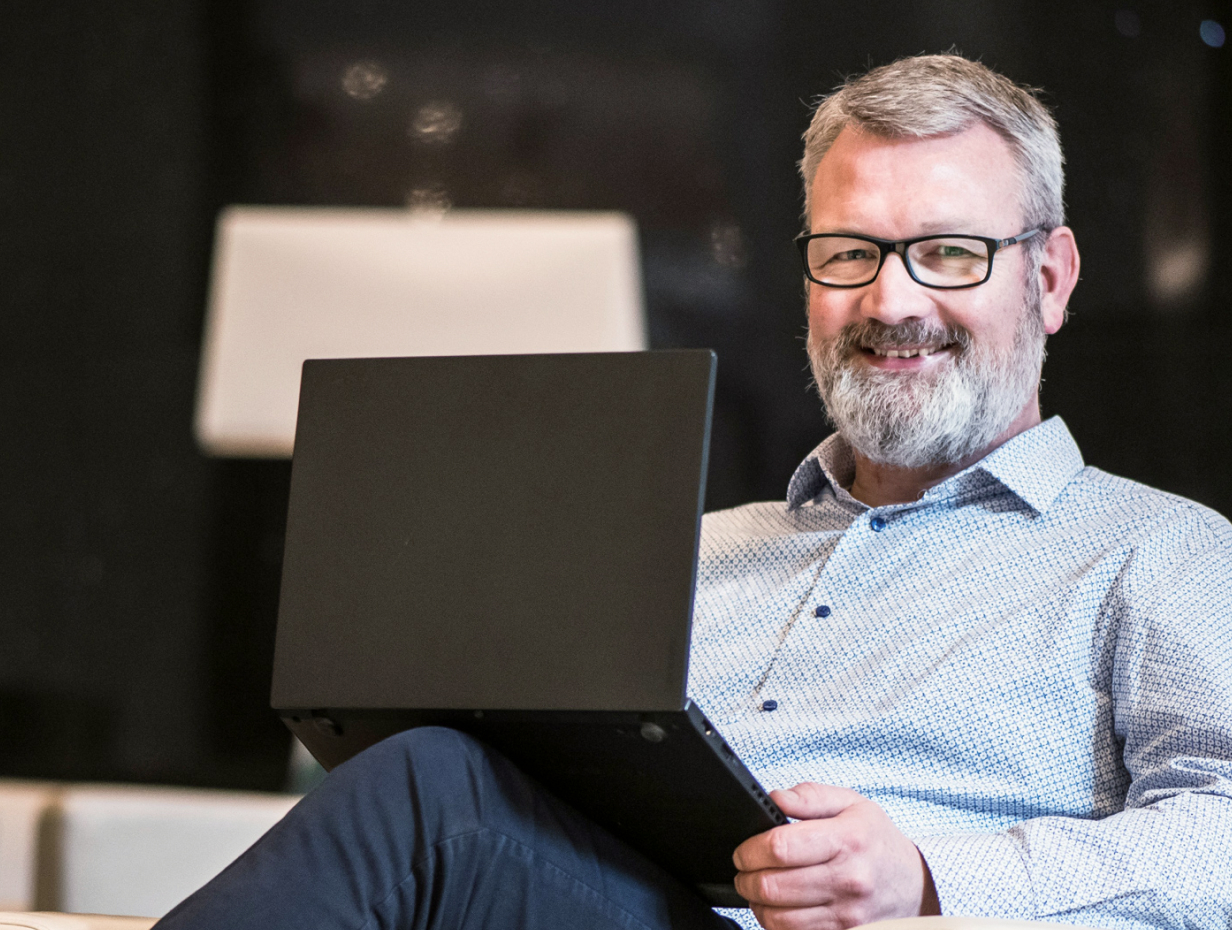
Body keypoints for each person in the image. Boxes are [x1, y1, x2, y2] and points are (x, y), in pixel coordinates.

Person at [156, 55, 1232, 930]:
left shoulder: (1160, 553)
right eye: (849, 252)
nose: (889, 299)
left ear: (1048, 278)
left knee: (430, 791)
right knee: (435, 771)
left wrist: (925, 878)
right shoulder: (688, 554)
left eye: (948, 253)